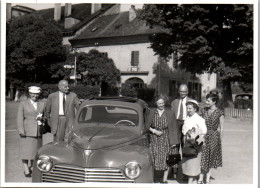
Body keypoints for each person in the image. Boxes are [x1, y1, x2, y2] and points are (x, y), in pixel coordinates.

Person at [146, 94, 180, 183]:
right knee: (155, 158)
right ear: (156, 103)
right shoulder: (151, 112)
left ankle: (164, 179)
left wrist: (173, 141)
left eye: (162, 103)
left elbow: (174, 127)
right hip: (154, 138)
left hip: (166, 137)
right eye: (159, 103)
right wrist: (154, 131)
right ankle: (155, 177)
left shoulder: (170, 112)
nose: (161, 105)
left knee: (166, 158)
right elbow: (146, 126)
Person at [17, 86, 45, 177]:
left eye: (37, 94)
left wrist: (42, 120)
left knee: (35, 151)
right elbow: (19, 117)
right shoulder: (23, 103)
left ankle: (33, 167)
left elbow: (44, 117)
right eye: (33, 94)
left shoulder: (42, 104)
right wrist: (21, 130)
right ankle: (26, 169)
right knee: (25, 151)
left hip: (38, 131)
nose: (35, 96)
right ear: (29, 94)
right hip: (26, 131)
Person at [198, 93, 224, 184]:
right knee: (203, 156)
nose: (206, 102)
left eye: (208, 101)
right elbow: (199, 123)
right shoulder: (203, 110)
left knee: (211, 157)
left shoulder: (219, 112)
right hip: (204, 135)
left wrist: (219, 141)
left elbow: (221, 128)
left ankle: (207, 178)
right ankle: (200, 178)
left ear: (214, 102)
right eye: (206, 100)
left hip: (214, 136)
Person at [181, 99, 207, 184]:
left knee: (193, 162)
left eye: (190, 108)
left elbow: (204, 130)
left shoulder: (199, 119)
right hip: (187, 142)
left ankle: (190, 181)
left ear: (195, 109)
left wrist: (195, 134)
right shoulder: (187, 118)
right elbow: (184, 129)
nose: (188, 110)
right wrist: (186, 132)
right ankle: (193, 179)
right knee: (187, 161)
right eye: (187, 108)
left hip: (194, 143)